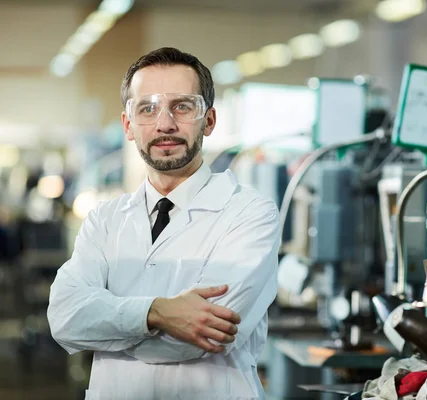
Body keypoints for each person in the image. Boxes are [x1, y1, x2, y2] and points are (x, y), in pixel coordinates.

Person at [47, 47, 280, 400]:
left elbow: (199, 340)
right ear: (128, 125)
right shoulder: (104, 220)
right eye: (147, 108)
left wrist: (107, 324)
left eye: (182, 106)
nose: (165, 123)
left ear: (210, 120)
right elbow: (65, 318)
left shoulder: (250, 214)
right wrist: (158, 313)